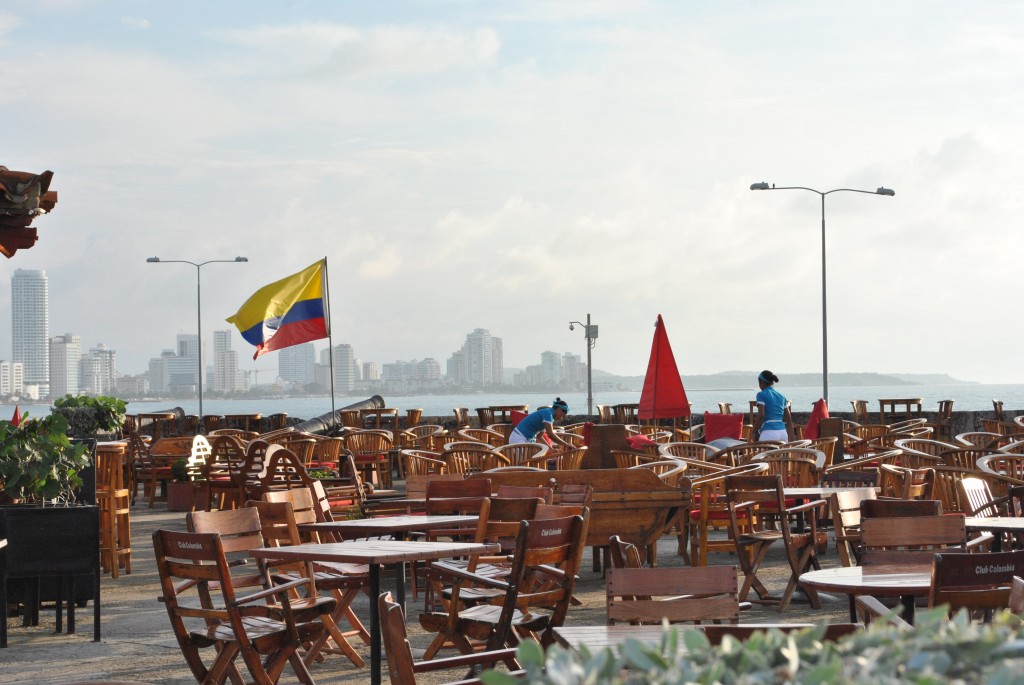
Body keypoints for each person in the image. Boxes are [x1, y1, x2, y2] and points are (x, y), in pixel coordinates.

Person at [508, 397, 574, 448]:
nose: (561, 418)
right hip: (519, 438)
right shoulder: (548, 414)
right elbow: (550, 435)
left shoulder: (549, 416)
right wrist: (566, 444)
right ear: (559, 409)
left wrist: (551, 449)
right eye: (562, 415)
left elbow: (539, 437)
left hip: (525, 440)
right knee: (521, 464)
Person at [754, 370, 793, 442]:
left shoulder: (761, 394)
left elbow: (761, 415)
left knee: (761, 453)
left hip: (769, 433)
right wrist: (792, 439)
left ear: (761, 382)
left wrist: (753, 432)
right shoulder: (782, 397)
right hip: (783, 433)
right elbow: (789, 420)